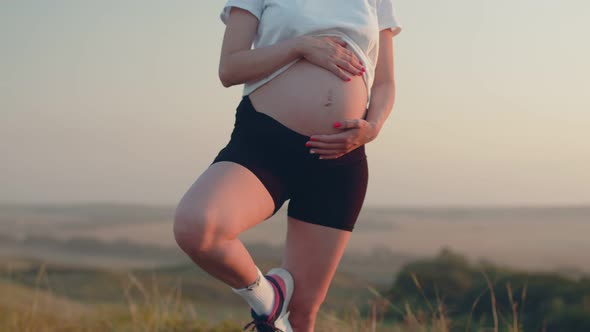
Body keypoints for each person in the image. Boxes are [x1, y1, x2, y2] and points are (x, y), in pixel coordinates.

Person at [173, 0, 402, 331]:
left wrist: (374, 126)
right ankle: (267, 297)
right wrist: (300, 47)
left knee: (303, 315)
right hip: (266, 145)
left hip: (339, 159)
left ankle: (279, 310)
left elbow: (385, 82)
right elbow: (230, 68)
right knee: (196, 227)